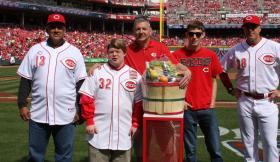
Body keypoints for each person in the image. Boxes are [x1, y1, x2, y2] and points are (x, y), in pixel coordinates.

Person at [88, 15, 191, 162]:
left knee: (163, 145)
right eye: (137, 29)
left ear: (150, 31)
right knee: (139, 146)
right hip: (135, 105)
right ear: (133, 32)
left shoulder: (160, 47)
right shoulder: (128, 50)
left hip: (157, 104)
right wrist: (97, 66)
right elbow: (113, 61)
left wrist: (186, 69)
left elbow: (174, 64)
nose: (141, 32)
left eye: (144, 29)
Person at [17, 13, 87, 162]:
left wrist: (80, 110)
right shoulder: (35, 50)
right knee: (35, 156)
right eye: (53, 27)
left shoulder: (74, 52)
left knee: (64, 157)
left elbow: (80, 84)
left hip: (66, 115)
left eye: (59, 27)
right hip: (38, 114)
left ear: (64, 29)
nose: (56, 30)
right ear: (47, 29)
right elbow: (25, 80)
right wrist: (22, 104)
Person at [220, 15, 280, 162]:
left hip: (268, 101)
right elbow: (221, 70)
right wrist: (229, 89)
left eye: (253, 27)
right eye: (247, 27)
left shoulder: (274, 47)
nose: (250, 30)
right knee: (248, 143)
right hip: (244, 100)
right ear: (243, 29)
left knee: (270, 143)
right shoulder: (236, 50)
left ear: (260, 28)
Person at [79, 38, 143, 162]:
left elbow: (139, 104)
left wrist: (135, 123)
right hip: (99, 130)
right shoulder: (97, 72)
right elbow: (86, 98)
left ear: (124, 53)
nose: (114, 54)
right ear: (107, 54)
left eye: (118, 51)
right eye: (111, 52)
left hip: (124, 131)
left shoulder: (134, 75)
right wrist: (90, 121)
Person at [172, 21, 224, 162]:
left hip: (207, 108)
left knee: (215, 149)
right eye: (191, 34)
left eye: (198, 34)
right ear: (186, 35)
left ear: (203, 35)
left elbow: (214, 80)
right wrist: (181, 100)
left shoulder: (210, 55)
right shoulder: (177, 55)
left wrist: (212, 103)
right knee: (191, 152)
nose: (194, 37)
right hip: (187, 109)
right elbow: (172, 82)